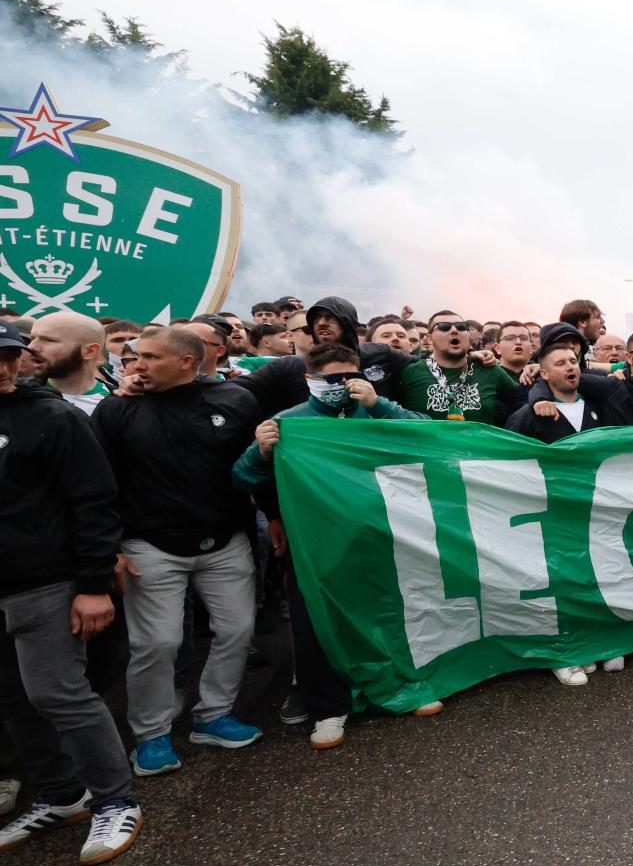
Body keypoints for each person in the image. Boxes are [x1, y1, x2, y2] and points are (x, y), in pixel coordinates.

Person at [234, 342, 427, 747]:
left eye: (348, 377)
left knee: (387, 615)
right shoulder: (290, 423)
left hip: (376, 535)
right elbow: (242, 480)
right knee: (314, 626)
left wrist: (381, 406)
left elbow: (424, 435)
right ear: (309, 380)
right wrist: (260, 453)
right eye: (330, 379)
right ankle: (328, 709)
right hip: (315, 543)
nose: (341, 386)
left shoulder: (375, 411)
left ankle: (397, 690)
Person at [0, 321, 142, 866]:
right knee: (13, 697)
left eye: (10, 354)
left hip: (43, 580)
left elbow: (94, 501)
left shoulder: (50, 416)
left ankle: (113, 800)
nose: (5, 364)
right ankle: (62, 796)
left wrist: (90, 586)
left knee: (58, 693)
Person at [94, 326, 264, 774]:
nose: (136, 365)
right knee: (157, 643)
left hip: (226, 540)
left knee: (238, 631)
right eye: (134, 357)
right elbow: (98, 486)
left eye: (149, 357)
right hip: (149, 544)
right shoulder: (115, 410)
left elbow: (256, 463)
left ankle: (214, 715)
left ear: (187, 361)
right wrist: (109, 549)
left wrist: (274, 517)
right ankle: (150, 735)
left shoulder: (236, 401)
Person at [241, 296, 411, 417]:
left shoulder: (381, 353)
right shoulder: (290, 366)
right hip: (315, 454)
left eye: (330, 318)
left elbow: (427, 370)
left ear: (348, 322)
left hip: (375, 447)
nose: (321, 323)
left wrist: (378, 404)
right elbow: (235, 391)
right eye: (316, 319)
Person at [402, 311, 522, 424]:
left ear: (468, 335)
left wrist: (537, 369)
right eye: (444, 327)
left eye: (461, 327)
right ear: (429, 338)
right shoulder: (410, 372)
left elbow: (524, 400)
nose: (454, 330)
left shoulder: (490, 369)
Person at [27, 311, 113, 413]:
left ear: (90, 351)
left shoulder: (122, 403)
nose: (31, 347)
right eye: (32, 339)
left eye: (49, 340)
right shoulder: (17, 397)